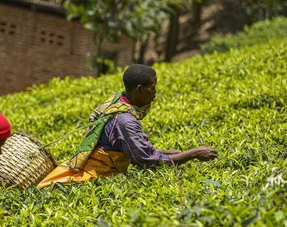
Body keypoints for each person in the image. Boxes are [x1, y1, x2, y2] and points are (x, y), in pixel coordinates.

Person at [37, 64, 218, 189]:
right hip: (90, 179)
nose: (155, 92)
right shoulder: (125, 120)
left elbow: (125, 149)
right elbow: (146, 160)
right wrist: (193, 154)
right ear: (139, 89)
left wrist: (172, 152)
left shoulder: (116, 101)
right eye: (152, 88)